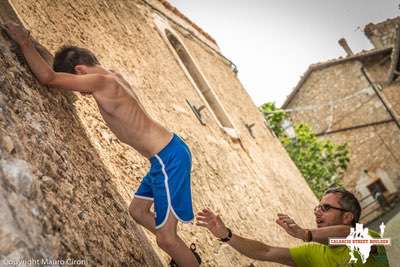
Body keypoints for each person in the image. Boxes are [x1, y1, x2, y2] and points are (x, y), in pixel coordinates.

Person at [2, 22, 200, 267]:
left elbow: (49, 77)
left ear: (80, 70)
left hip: (168, 157)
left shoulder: (103, 82)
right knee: (137, 211)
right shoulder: (113, 76)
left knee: (166, 241)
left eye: (77, 83)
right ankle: (186, 255)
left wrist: (24, 42)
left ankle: (185, 258)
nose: (81, 93)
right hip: (163, 154)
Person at [197, 187, 389, 266]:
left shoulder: (370, 238)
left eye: (326, 207)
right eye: (318, 207)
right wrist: (227, 235)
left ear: (347, 216)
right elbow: (266, 251)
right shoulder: (312, 252)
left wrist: (305, 233)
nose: (317, 212)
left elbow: (347, 235)